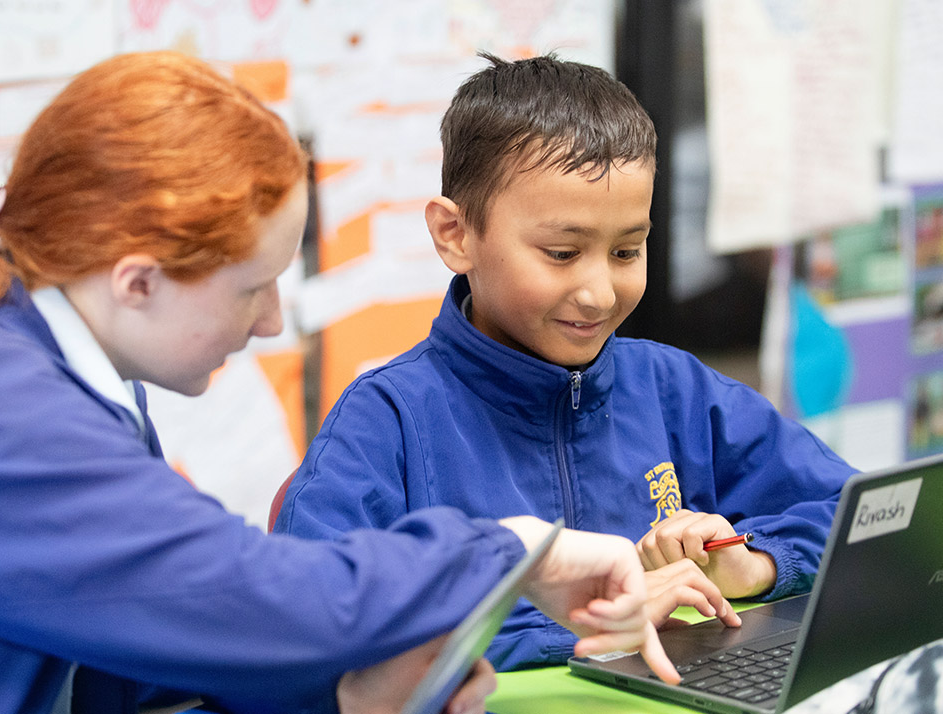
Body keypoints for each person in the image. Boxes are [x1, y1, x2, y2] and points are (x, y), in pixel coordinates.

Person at [0, 52, 676, 714]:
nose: (272, 321)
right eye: (251, 290)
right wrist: (512, 549)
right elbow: (241, 595)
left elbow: (139, 642)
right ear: (136, 281)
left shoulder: (44, 367)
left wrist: (343, 692)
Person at [271, 53, 855, 672]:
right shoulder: (388, 421)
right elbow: (306, 623)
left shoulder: (674, 390)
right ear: (455, 235)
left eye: (628, 250)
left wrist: (756, 564)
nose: (600, 292)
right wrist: (594, 621)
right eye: (561, 252)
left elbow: (860, 516)